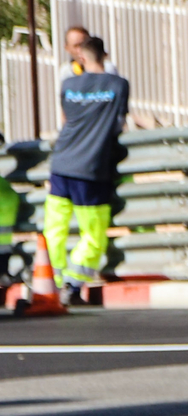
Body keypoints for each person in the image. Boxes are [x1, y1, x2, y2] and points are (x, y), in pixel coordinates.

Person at [44, 26, 127, 301]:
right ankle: (73, 283)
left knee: (54, 227)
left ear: (81, 57)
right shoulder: (118, 85)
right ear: (105, 54)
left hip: (61, 163)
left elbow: (67, 120)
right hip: (90, 168)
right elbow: (118, 124)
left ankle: (50, 280)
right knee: (93, 232)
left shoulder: (68, 85)